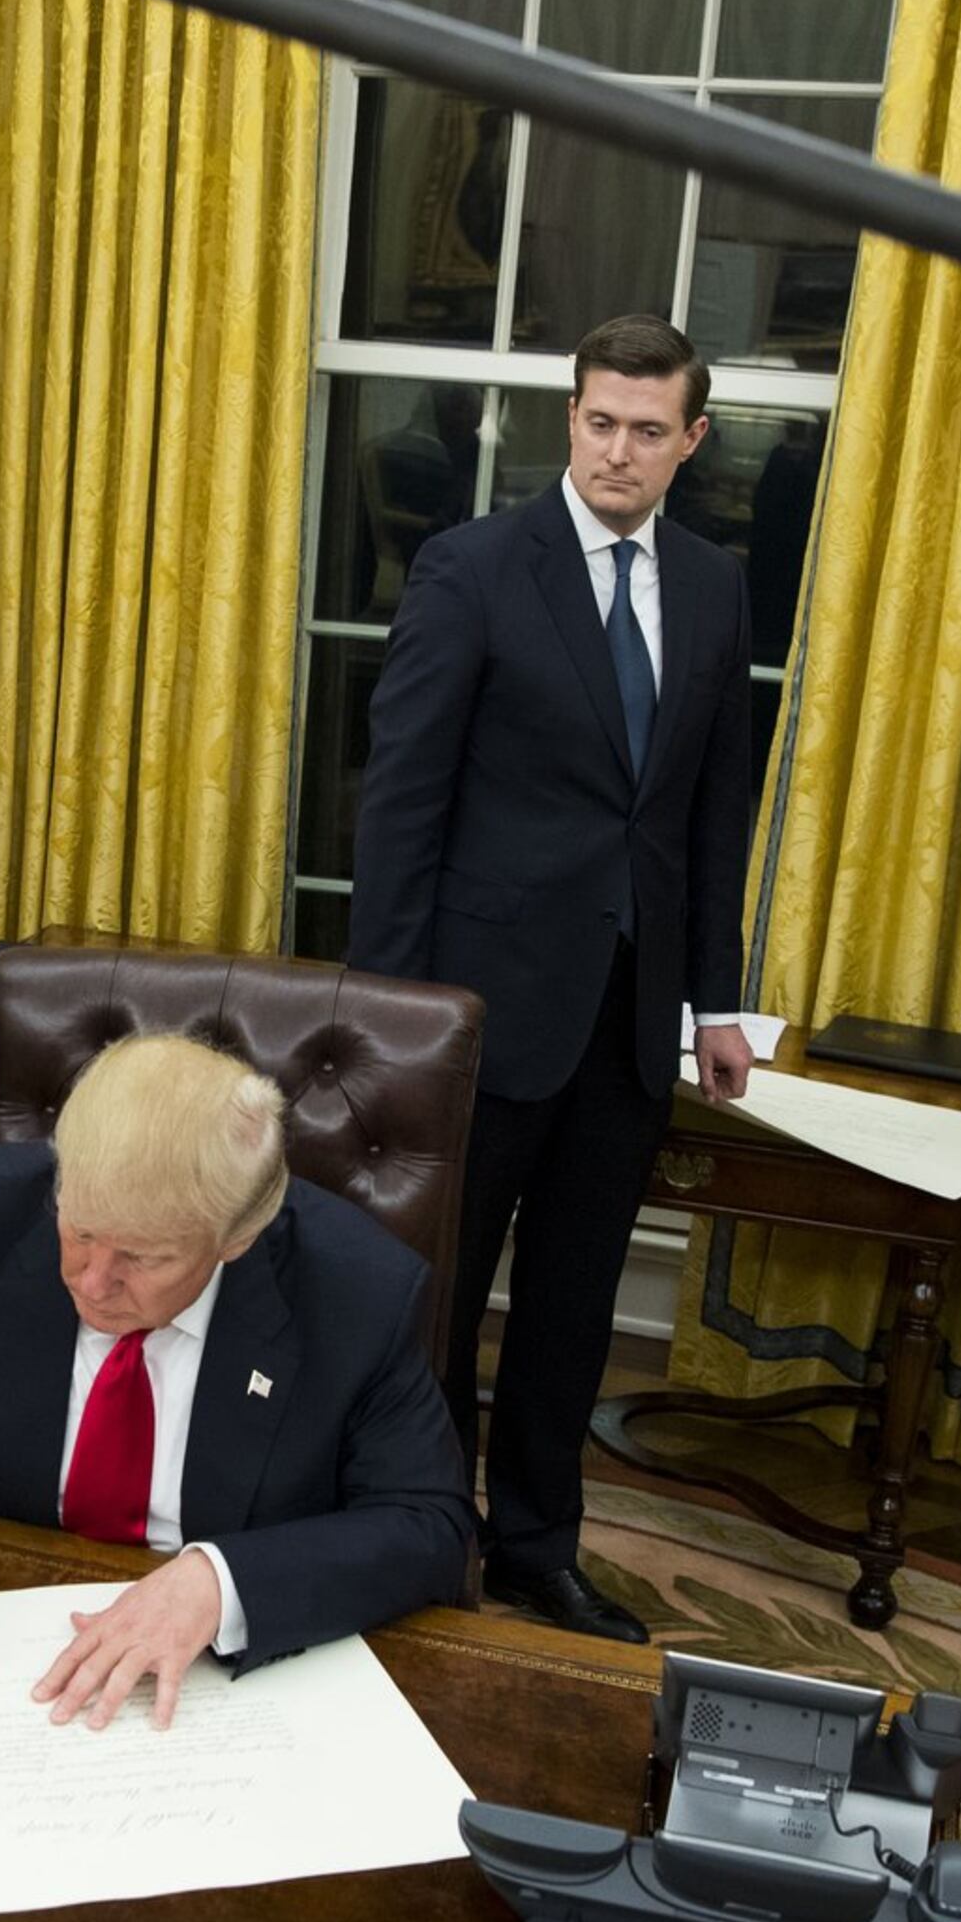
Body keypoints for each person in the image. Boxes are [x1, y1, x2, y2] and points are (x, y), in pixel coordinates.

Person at [344, 313, 761, 1644]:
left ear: (691, 440)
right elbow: (399, 809)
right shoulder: (471, 569)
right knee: (438, 1304)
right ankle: (417, 1525)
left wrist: (717, 1003)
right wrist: (388, 1020)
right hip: (476, 1018)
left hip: (628, 1026)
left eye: (649, 430)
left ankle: (538, 1545)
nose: (619, 451)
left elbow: (709, 814)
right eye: (599, 422)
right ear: (567, 420)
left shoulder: (712, 585)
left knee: (573, 1310)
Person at [0, 1034, 476, 1729]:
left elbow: (429, 1526)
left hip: (216, 1690)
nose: (93, 1282)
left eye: (143, 1257)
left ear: (237, 1238)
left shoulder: (356, 1291)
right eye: (81, 1229)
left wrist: (218, 1585)